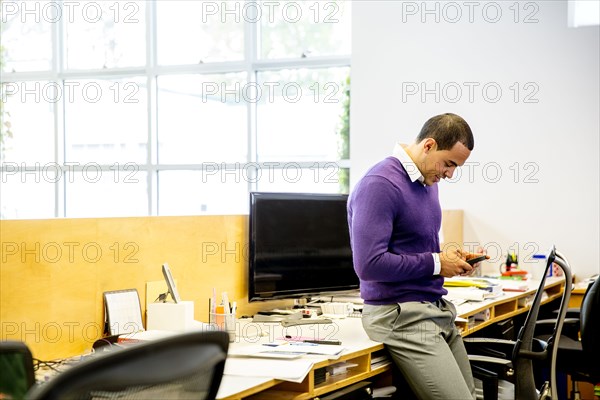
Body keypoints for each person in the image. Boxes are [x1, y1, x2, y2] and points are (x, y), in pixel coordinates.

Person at [347, 113, 480, 400]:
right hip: (399, 314)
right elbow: (369, 265)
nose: (449, 174)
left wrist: (448, 258)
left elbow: (415, 248)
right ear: (429, 145)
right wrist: (436, 263)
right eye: (449, 164)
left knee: (470, 394)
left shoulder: (426, 183)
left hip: (433, 308)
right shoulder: (379, 184)